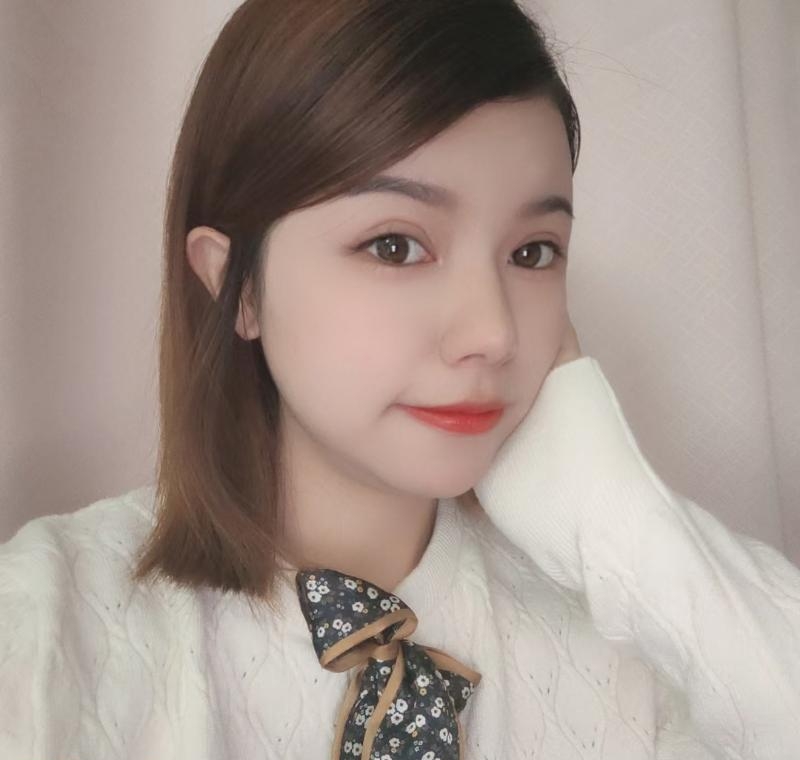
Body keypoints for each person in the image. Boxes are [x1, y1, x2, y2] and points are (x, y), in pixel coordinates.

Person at [1, 0, 798, 758]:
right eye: (395, 246)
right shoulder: (47, 621)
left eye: (532, 252)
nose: (492, 333)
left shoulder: (634, 632)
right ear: (235, 286)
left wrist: (623, 520)